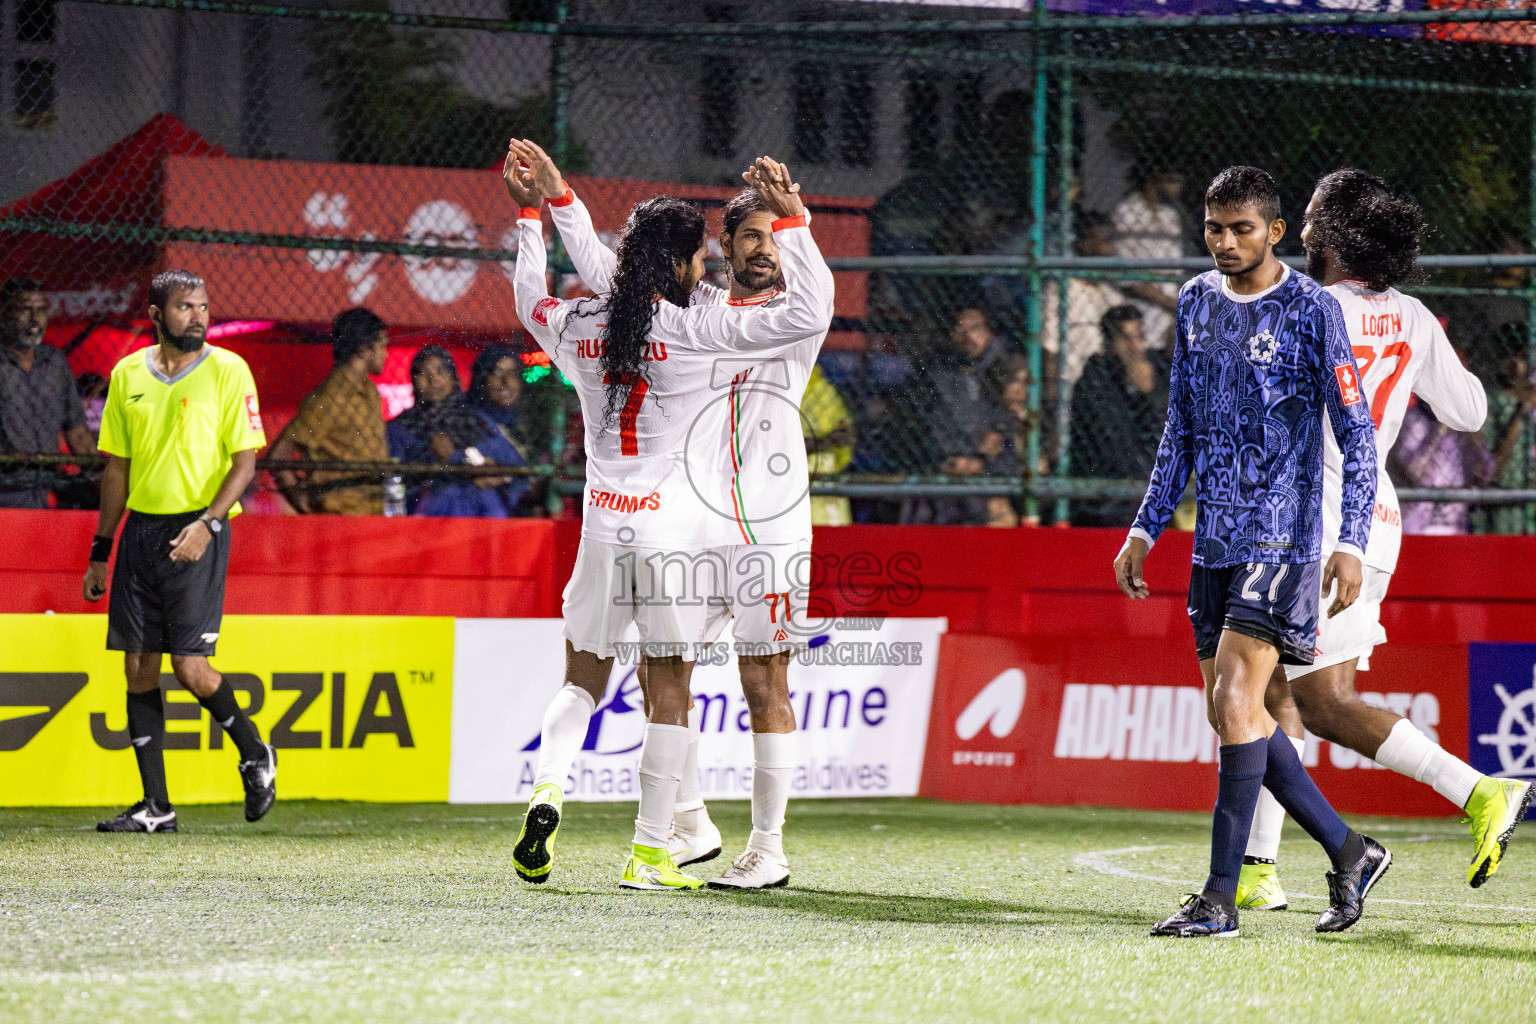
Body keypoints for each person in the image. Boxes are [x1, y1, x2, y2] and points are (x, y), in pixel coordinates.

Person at [504, 149, 832, 892]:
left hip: (767, 530)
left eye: (774, 239)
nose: (763, 248)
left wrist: (798, 221)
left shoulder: (790, 319)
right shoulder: (701, 314)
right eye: (750, 236)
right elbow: (617, 271)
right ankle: (684, 826)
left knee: (759, 681)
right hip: (690, 528)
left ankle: (768, 849)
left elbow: (597, 289)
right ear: (719, 249)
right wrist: (561, 200)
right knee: (664, 678)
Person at [1239, 169, 1530, 914]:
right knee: (1276, 692)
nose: (1297, 232)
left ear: (1334, 234)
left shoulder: (1304, 308)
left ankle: (1479, 791)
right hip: (1379, 521)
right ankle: (1257, 869)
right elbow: (1468, 413)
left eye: (1306, 219)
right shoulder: (1413, 316)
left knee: (1317, 698)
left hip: (1320, 524)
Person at [1113, 166, 1386, 938]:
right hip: (1216, 539)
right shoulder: (1196, 302)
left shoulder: (1311, 309)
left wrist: (1350, 541)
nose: (1227, 242)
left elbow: (1356, 432)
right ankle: (1349, 850)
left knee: (1238, 702)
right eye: (1214, 228)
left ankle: (1219, 899)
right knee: (1231, 714)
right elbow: (1181, 428)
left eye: (1242, 228)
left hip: (1285, 537)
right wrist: (1145, 526)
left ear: (1275, 231)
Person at [81, 270, 276, 833]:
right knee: (138, 668)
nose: (198, 315)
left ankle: (254, 752)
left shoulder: (228, 370)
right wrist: (101, 549)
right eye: (185, 307)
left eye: (203, 306)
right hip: (140, 535)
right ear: (156, 315)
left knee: (190, 668)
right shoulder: (126, 375)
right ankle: (155, 807)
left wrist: (208, 526)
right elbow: (117, 467)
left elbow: (245, 464)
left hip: (200, 533)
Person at [268, 307, 390, 515]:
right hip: (338, 516)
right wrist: (306, 509)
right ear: (363, 348)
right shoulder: (328, 399)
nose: (385, 354)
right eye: (381, 346)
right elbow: (278, 456)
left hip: (372, 513)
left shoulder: (369, 391)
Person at [386, 346, 526, 517]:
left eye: (440, 371)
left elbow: (515, 467)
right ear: (413, 380)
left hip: (487, 516)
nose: (433, 380)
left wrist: (500, 475)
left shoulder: (478, 421)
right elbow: (396, 482)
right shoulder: (400, 428)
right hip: (432, 516)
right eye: (423, 373)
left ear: (453, 377)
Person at [1067, 305, 1169, 527]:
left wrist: (1149, 394)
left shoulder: (1154, 370)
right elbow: (1113, 444)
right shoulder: (1095, 378)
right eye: (1126, 339)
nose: (1135, 347)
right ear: (1109, 343)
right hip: (1106, 495)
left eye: (1138, 337)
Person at [0, 278, 97, 507]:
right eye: (24, 309)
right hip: (7, 487)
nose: (35, 318)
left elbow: (77, 430)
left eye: (41, 310)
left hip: (50, 484)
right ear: (4, 315)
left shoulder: (54, 362)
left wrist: (100, 476)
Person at [1112, 167, 1186, 350]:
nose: (1179, 188)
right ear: (1157, 177)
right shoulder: (1127, 211)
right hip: (1143, 305)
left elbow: (1176, 270)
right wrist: (1171, 304)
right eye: (1174, 181)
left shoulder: (1170, 216)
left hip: (1171, 305)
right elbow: (1128, 274)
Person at [1473, 330, 1535, 536]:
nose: (1515, 364)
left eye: (1522, 357)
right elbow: (1493, 470)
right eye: (1509, 356)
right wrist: (1519, 415)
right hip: (1504, 499)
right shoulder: (1492, 400)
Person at [464, 346, 536, 517]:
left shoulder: (524, 424)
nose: (506, 382)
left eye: (512, 373)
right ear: (482, 379)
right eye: (496, 373)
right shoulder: (470, 422)